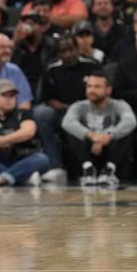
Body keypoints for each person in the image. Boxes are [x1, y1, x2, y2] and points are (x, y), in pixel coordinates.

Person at [34, 34, 99, 183]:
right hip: (63, 111)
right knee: (41, 113)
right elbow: (48, 99)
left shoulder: (92, 65)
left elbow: (102, 90)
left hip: (90, 109)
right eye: (63, 51)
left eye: (71, 49)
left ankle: (88, 166)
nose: (68, 54)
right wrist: (71, 109)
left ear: (78, 48)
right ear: (58, 53)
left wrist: (81, 108)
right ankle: (56, 166)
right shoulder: (51, 69)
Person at [62, 72, 137, 186]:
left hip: (111, 151)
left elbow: (130, 121)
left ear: (108, 90)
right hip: (87, 151)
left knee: (125, 132)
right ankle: (88, 169)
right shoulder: (79, 106)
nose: (92, 90)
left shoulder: (119, 105)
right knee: (73, 131)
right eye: (89, 86)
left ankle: (109, 170)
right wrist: (92, 136)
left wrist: (109, 135)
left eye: (97, 87)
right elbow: (67, 122)